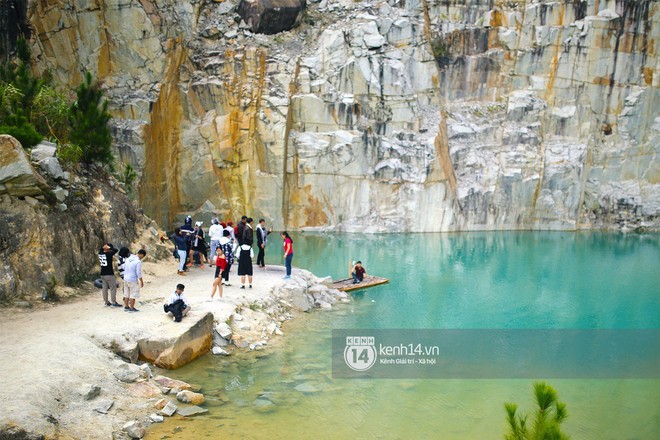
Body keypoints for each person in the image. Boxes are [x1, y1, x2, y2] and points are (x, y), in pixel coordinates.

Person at [98, 242, 121, 307]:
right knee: (113, 288)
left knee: (104, 288)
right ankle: (114, 302)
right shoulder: (109, 254)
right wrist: (109, 248)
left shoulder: (100, 253)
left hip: (102, 274)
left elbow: (100, 250)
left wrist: (103, 248)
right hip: (109, 274)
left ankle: (106, 302)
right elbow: (116, 250)